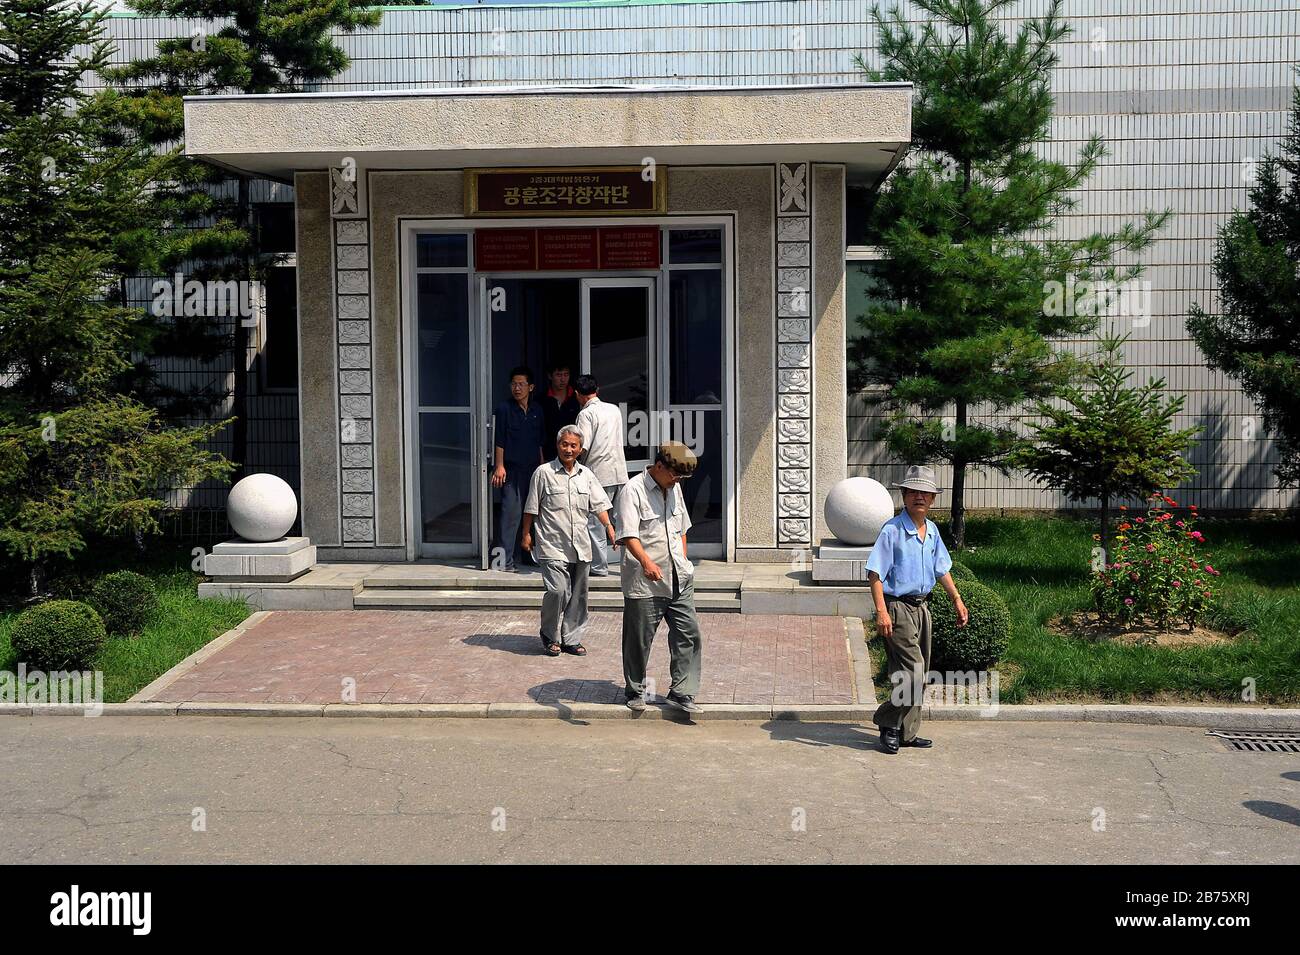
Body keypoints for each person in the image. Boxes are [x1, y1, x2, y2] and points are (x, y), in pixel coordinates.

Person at [866, 464, 969, 755]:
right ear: (904, 496)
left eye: (924, 493)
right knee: (914, 673)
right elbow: (875, 574)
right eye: (912, 492)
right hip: (898, 608)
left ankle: (907, 733)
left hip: (922, 609)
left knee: (912, 674)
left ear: (933, 499)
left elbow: (942, 570)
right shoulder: (893, 531)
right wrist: (881, 612)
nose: (918, 497)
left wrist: (957, 600)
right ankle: (887, 721)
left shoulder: (932, 531)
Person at [615, 441, 702, 713]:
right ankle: (636, 690)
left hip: (679, 576)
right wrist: (646, 561)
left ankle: (682, 692)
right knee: (639, 639)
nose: (678, 481)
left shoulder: (674, 488)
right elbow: (628, 535)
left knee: (688, 635)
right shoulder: (633, 491)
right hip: (646, 580)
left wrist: (684, 561)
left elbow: (682, 529)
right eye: (675, 475)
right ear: (660, 466)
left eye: (682, 477)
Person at [521, 425, 615, 656]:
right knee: (558, 591)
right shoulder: (543, 473)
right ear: (557, 445)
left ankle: (571, 638)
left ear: (580, 449)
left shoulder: (587, 475)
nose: (569, 449)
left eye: (574, 445)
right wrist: (526, 534)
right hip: (552, 543)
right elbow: (531, 507)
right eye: (565, 444)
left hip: (581, 545)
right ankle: (549, 634)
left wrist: (610, 527)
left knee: (579, 595)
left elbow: (599, 505)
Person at [574, 373, 628, 577]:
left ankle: (598, 566)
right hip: (619, 471)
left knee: (595, 522)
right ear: (597, 390)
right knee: (623, 520)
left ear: (578, 394)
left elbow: (582, 446)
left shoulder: (585, 415)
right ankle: (628, 563)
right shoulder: (613, 409)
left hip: (598, 473)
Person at [491, 365, 544, 572]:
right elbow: (500, 439)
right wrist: (499, 466)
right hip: (511, 470)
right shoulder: (504, 409)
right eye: (514, 384)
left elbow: (540, 441)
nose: (517, 388)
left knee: (531, 513)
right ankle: (504, 561)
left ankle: (527, 555)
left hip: (532, 469)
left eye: (521, 384)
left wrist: (542, 469)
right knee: (510, 513)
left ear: (531, 387)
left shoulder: (536, 410)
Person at [539, 362, 580, 461]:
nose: (563, 379)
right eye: (558, 375)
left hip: (572, 453)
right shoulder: (541, 400)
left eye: (566, 375)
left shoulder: (577, 398)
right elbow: (538, 431)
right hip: (549, 454)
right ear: (550, 376)